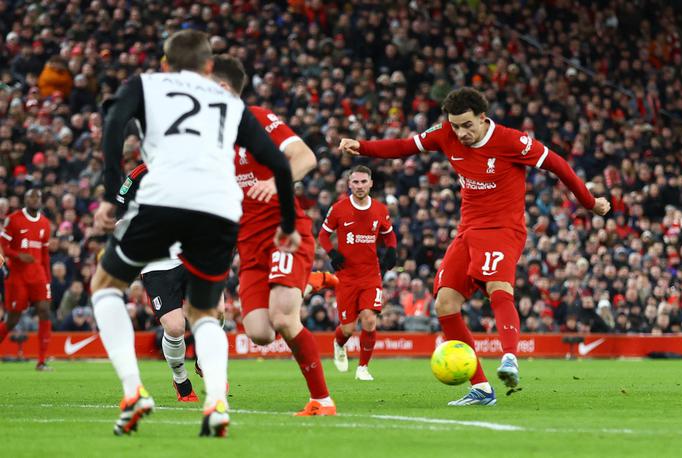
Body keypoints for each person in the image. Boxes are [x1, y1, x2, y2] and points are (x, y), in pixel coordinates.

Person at [340, 87, 610, 405]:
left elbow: (559, 166)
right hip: (468, 230)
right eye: (455, 126)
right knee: (444, 304)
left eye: (467, 125)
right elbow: (404, 146)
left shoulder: (512, 141)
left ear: (483, 118)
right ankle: (481, 387)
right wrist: (363, 147)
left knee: (497, 285)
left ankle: (510, 358)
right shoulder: (446, 134)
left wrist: (590, 203)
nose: (461, 133)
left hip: (503, 229)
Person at [92, 30, 298, 437]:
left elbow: (114, 124)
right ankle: (216, 402)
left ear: (165, 64)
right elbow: (277, 160)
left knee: (104, 285)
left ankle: (134, 391)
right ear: (209, 67)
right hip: (219, 209)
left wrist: (108, 195)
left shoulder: (146, 85)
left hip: (164, 199)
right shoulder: (229, 101)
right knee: (207, 314)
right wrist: (288, 224)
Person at [211, 56, 335, 416]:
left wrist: (275, 179)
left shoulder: (257, 120)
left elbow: (304, 156)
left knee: (283, 317)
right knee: (260, 332)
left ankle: (322, 400)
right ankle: (308, 282)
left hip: (285, 233)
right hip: (248, 246)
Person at [116, 162, 199, 403]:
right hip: (157, 262)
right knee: (174, 328)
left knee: (217, 313)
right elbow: (120, 214)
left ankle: (204, 359)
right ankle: (181, 379)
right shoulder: (140, 175)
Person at [318, 165, 397, 381]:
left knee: (369, 319)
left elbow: (389, 235)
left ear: (371, 183)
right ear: (349, 184)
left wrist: (391, 250)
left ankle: (363, 367)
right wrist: (332, 253)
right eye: (356, 182)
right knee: (347, 328)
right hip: (347, 277)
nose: (360, 186)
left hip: (371, 275)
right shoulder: (338, 209)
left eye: (364, 182)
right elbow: (323, 236)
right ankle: (339, 344)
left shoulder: (380, 209)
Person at [0, 189, 53, 371]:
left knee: (44, 310)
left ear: (40, 201)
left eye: (37, 197)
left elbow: (45, 256)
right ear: (25, 199)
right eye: (30, 197)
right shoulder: (14, 219)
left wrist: (48, 281)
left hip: (38, 275)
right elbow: (4, 247)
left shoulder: (45, 223)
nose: (34, 200)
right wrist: (18, 256)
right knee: (12, 319)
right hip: (17, 276)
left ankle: (41, 361)